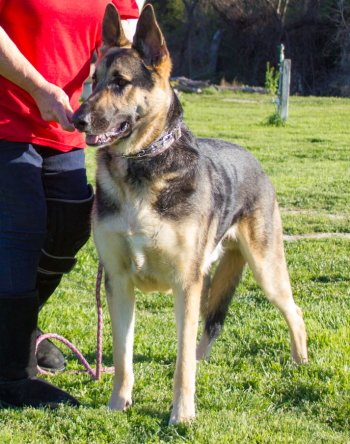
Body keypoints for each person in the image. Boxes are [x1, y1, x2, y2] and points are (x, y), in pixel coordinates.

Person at [0, 0, 139, 408]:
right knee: (22, 224)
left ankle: (16, 333)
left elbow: (126, 47)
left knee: (72, 220)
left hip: (64, 120)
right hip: (7, 113)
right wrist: (38, 86)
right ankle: (10, 375)